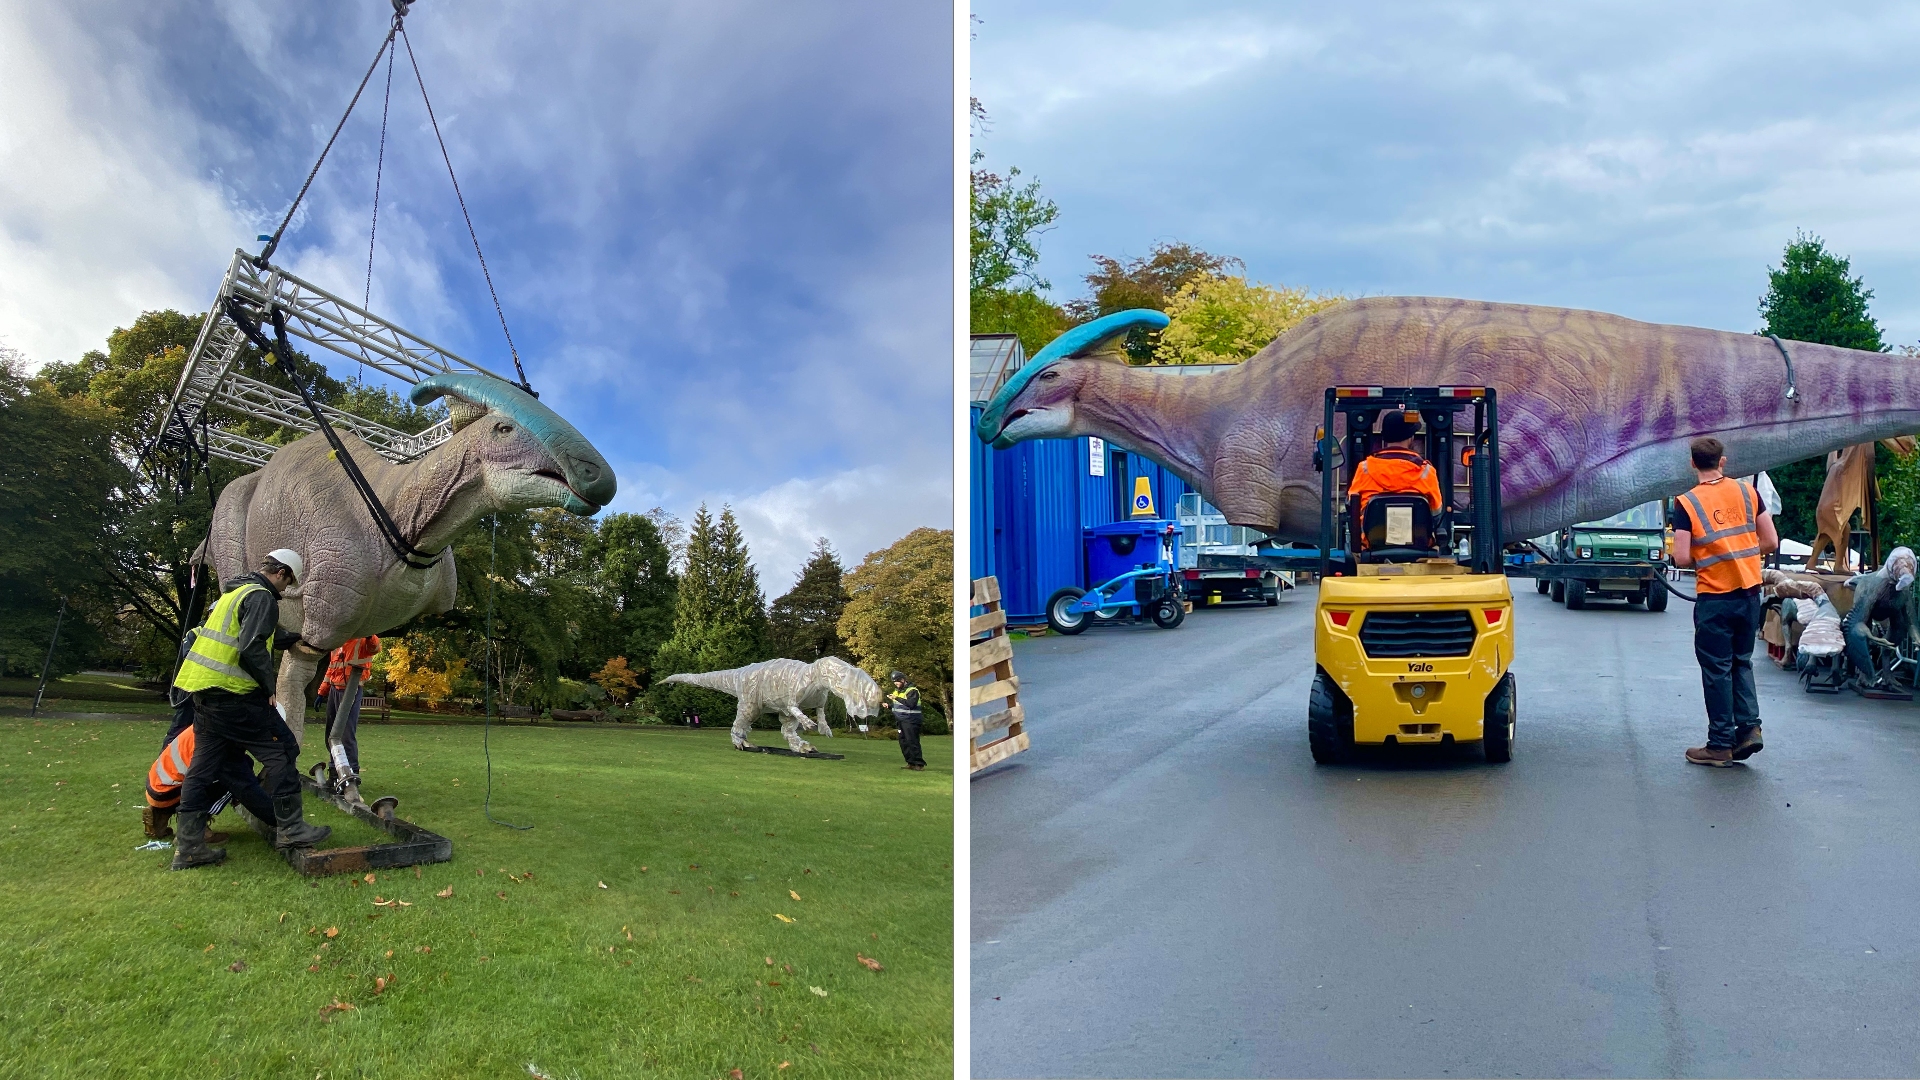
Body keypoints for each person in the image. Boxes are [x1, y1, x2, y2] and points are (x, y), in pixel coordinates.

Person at [168, 549, 331, 869]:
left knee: (201, 769)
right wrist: (268, 688)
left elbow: (261, 634)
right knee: (283, 750)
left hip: (204, 696)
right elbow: (251, 646)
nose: (286, 590)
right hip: (237, 698)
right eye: (288, 583)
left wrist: (294, 638)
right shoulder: (262, 598)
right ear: (281, 573)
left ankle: (187, 847)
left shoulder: (236, 593)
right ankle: (291, 829)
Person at [1671, 437, 1778, 766]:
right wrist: (1739, 554)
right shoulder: (1748, 492)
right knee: (1740, 661)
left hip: (1715, 598)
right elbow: (1770, 540)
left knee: (1717, 669)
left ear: (1692, 464)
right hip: (1749, 593)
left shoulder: (1686, 503)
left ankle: (1719, 745)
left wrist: (1712, 556)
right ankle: (1749, 729)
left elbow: (1681, 558)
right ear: (1723, 461)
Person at [1841, 546, 1918, 692]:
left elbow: (1911, 620)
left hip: (1892, 607)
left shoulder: (1904, 591)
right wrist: (1873, 638)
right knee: (1863, 629)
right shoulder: (1874, 586)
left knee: (1899, 627)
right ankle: (1864, 673)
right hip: (1869, 601)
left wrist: (1917, 638)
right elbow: (1857, 623)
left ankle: (1887, 674)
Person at [1347, 410, 1443, 527]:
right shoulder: (1426, 471)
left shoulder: (1364, 468)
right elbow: (1436, 514)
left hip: (1371, 543)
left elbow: (1351, 506)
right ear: (1410, 438)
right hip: (1418, 543)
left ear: (1385, 438)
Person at [318, 635, 381, 778]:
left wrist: (370, 634)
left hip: (352, 688)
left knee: (346, 734)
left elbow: (375, 647)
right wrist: (322, 691)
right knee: (331, 734)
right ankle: (334, 771)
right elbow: (331, 668)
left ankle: (352, 771)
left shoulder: (363, 638)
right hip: (335, 689)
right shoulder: (338, 640)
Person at [884, 670, 926, 771]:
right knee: (903, 742)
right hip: (901, 720)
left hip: (911, 720)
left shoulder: (912, 691)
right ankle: (910, 762)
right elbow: (898, 706)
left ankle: (918, 764)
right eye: (894, 682)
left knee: (912, 741)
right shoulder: (897, 692)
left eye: (897, 681)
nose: (896, 684)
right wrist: (889, 706)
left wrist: (896, 698)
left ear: (903, 680)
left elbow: (911, 704)